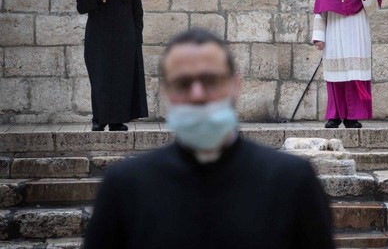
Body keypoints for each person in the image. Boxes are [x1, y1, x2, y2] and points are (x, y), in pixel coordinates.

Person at [83, 29, 335, 249]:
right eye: (183, 83)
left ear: (235, 86)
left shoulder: (292, 181)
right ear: (166, 91)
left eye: (210, 80)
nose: (197, 94)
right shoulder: (125, 186)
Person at [77, 0, 148, 131]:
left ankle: (117, 119)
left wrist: (136, 36)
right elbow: (81, 6)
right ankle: (99, 119)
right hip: (98, 39)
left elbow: (137, 11)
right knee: (100, 77)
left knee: (121, 80)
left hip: (125, 40)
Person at [312, 0, 382, 129]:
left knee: (354, 76)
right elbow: (320, 12)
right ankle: (335, 116)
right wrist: (319, 37)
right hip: (334, 31)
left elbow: (374, 7)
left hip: (357, 31)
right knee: (336, 77)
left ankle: (352, 117)